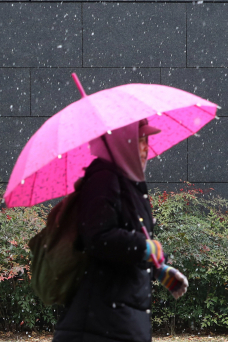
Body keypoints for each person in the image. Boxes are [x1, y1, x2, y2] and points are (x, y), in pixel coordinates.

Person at [52, 119, 188, 342]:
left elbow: (123, 246)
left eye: (146, 140)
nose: (145, 147)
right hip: (101, 321)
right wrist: (144, 248)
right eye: (139, 140)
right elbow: (98, 238)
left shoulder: (129, 184)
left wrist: (156, 269)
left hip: (120, 318)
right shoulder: (104, 179)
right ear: (122, 143)